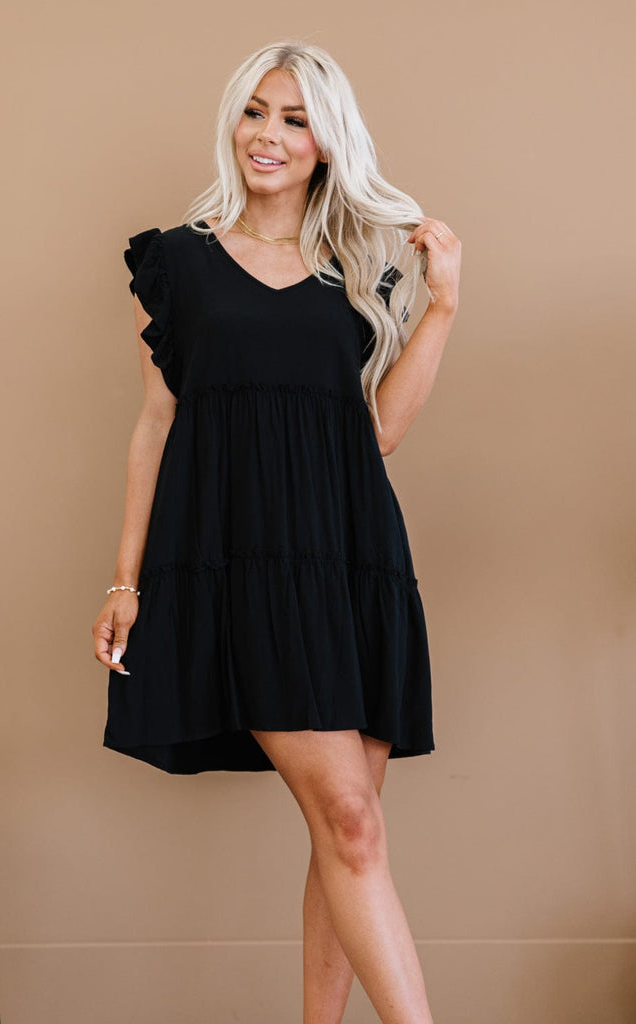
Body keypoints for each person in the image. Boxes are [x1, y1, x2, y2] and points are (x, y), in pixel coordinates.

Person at [92, 39, 461, 1024]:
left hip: (351, 561)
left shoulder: (358, 273)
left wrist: (442, 307)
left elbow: (376, 433)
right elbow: (155, 422)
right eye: (256, 110)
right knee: (349, 822)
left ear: (326, 143)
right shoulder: (177, 263)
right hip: (240, 564)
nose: (268, 134)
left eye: (295, 120)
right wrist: (125, 581)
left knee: (348, 831)